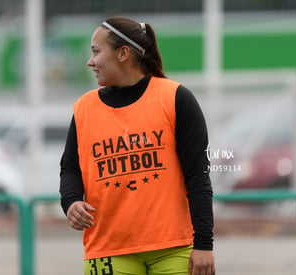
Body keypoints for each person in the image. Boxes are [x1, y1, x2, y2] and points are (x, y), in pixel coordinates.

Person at [60, 16, 215, 275]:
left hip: (174, 249)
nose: (90, 62)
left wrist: (204, 245)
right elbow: (70, 168)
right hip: (108, 250)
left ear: (123, 53)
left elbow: (198, 177)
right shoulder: (84, 108)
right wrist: (71, 201)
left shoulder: (176, 99)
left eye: (96, 52)